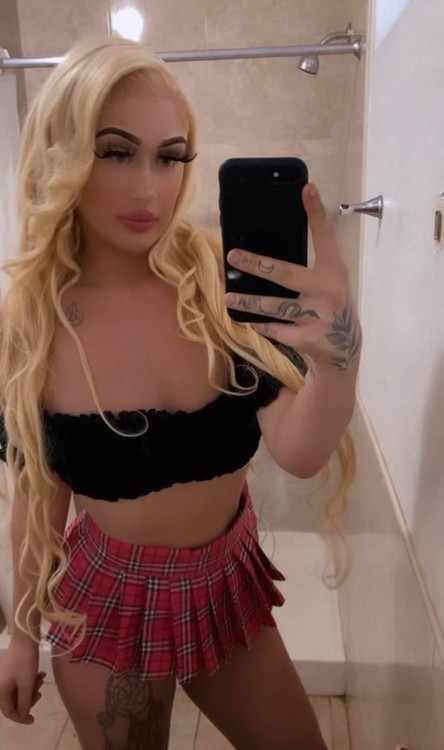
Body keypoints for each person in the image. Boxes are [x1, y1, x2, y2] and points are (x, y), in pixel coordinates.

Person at [0, 35, 362, 750]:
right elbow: (38, 499)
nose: (148, 189)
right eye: (115, 152)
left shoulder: (213, 284)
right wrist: (18, 636)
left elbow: (299, 453)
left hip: (226, 586)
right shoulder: (33, 325)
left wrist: (339, 357)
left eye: (169, 157)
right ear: (62, 156)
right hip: (106, 609)